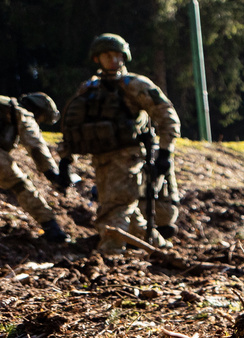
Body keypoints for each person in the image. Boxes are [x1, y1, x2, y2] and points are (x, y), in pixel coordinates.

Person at [59, 34, 181, 255]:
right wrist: (66, 159)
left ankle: (109, 253)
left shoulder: (134, 85)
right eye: (108, 55)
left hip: (129, 157)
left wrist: (165, 153)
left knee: (117, 207)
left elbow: (167, 116)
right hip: (102, 159)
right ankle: (161, 249)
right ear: (97, 58)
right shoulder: (89, 89)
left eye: (118, 55)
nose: (114, 60)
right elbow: (72, 125)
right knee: (126, 212)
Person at [0, 93, 69, 242]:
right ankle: (51, 226)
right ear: (39, 112)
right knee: (20, 185)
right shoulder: (21, 113)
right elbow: (36, 146)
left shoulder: (5, 106)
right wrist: (52, 174)